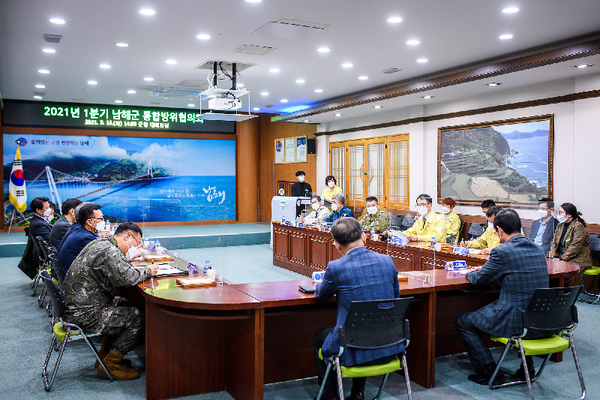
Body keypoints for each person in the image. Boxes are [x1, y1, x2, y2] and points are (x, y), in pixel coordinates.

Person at [455, 209, 549, 385]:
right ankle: (526, 369)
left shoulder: (501, 252)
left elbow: (480, 280)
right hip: (541, 317)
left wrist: (469, 273)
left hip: (513, 318)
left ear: (499, 230)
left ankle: (490, 371)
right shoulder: (537, 250)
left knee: (463, 321)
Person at [313, 217, 401, 400]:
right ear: (364, 236)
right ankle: (358, 393)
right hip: (389, 344)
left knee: (319, 337)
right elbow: (395, 295)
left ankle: (331, 396)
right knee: (365, 325)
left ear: (336, 245)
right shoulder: (387, 261)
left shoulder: (336, 267)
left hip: (352, 348)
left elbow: (321, 295)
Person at [62, 222, 158, 381]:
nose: (136, 247)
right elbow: (127, 278)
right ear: (128, 236)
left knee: (124, 303)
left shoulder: (101, 243)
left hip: (79, 306)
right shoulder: (109, 251)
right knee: (137, 317)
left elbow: (120, 271)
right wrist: (149, 271)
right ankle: (112, 364)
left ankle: (105, 355)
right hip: (84, 313)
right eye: (137, 243)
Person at [551, 203, 592, 284]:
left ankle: (564, 292)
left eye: (561, 212)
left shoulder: (578, 226)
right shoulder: (560, 225)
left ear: (569, 215)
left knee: (561, 270)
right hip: (560, 257)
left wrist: (563, 258)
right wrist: (553, 253)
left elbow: (575, 246)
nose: (558, 215)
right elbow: (554, 242)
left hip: (576, 258)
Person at [58, 203, 105, 273]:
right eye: (100, 219)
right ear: (89, 222)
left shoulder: (79, 229)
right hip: (74, 277)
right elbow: (102, 258)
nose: (102, 221)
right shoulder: (86, 238)